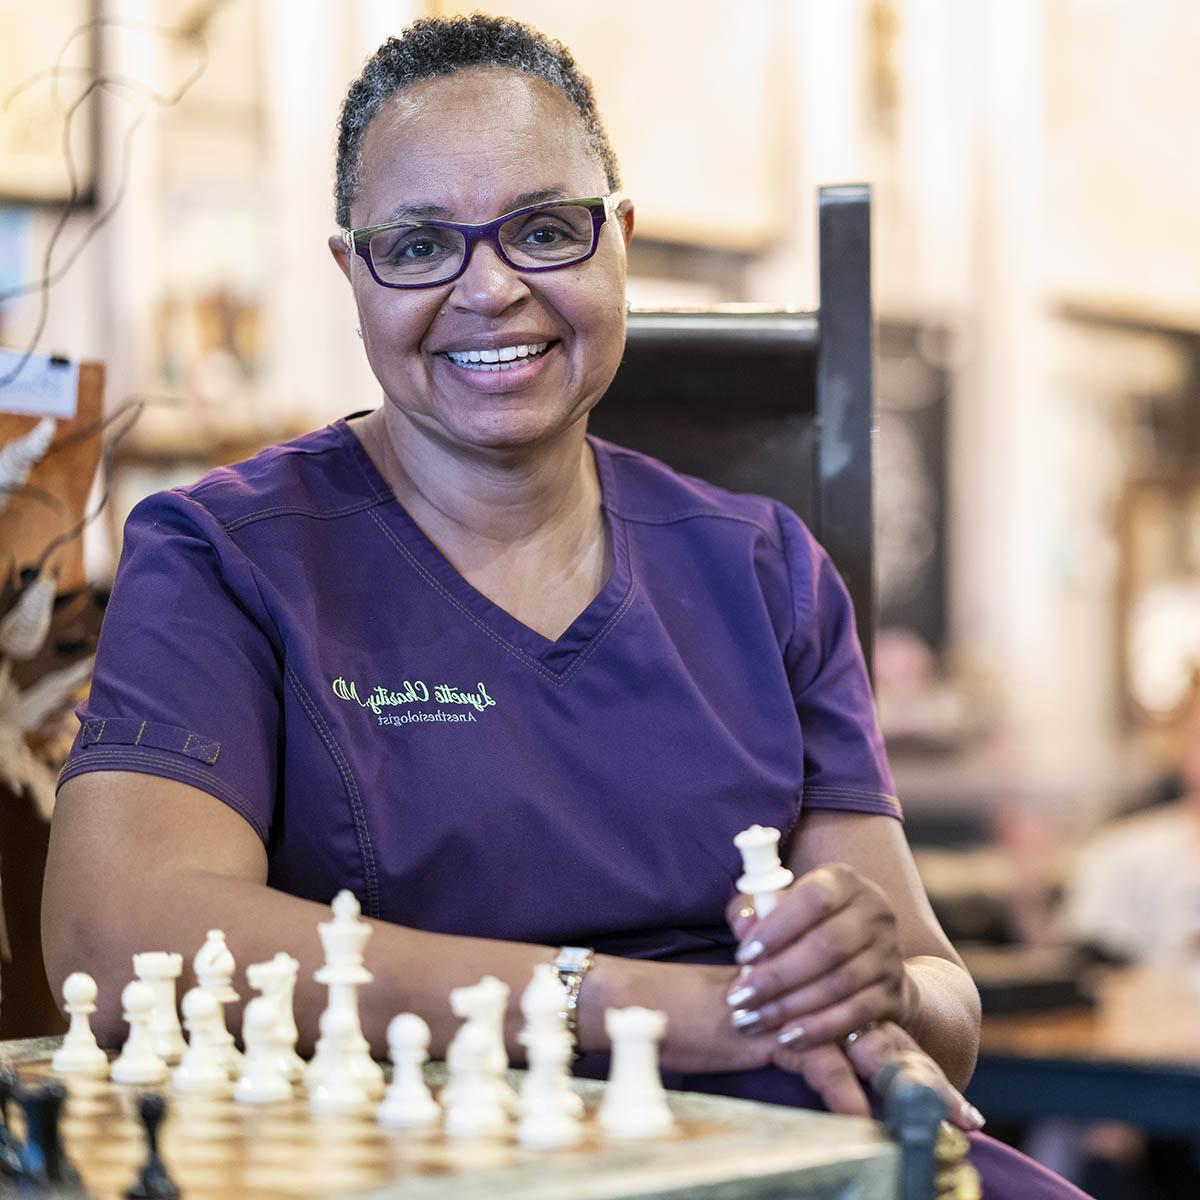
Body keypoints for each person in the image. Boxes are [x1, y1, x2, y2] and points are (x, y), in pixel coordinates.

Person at [43, 15, 1086, 1197]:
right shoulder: (224, 556)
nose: (490, 288)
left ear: (620, 243)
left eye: (546, 230)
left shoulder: (764, 570)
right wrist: (659, 1007)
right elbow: (119, 939)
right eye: (420, 244)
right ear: (353, 274)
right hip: (433, 1160)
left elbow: (944, 1009)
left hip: (795, 1159)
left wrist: (874, 982)